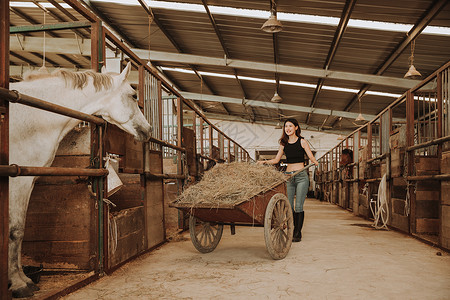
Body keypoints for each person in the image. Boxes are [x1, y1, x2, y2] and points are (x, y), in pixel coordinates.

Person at [258, 118, 319, 242]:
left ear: (296, 127)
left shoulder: (302, 142)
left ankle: (297, 232)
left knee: (298, 206)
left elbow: (311, 156)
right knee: (288, 205)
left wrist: (315, 162)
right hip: (288, 177)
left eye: (290, 126)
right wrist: (264, 162)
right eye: (286, 126)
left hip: (301, 176)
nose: (288, 128)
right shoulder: (283, 143)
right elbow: (276, 160)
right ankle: (291, 229)